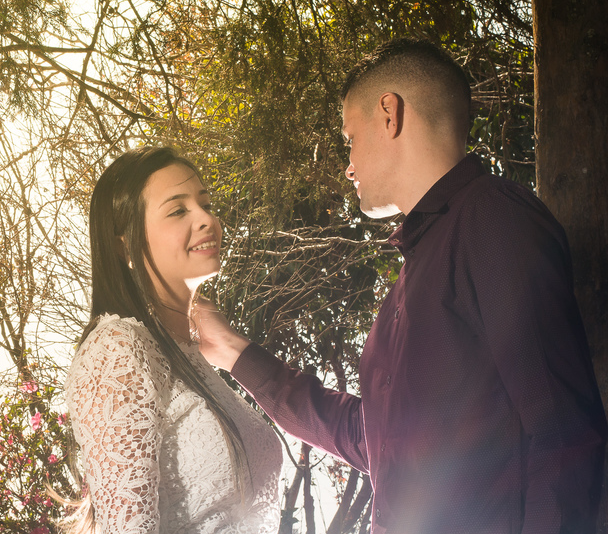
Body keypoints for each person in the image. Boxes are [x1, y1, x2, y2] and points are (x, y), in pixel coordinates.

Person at [194, 39, 607, 533]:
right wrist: (234, 352)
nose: (348, 165)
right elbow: (372, 438)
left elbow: (564, 438)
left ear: (389, 114)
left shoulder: (493, 216)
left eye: (350, 137)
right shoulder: (410, 279)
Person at [64, 147, 284, 533]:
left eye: (206, 203)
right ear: (124, 245)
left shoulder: (193, 356)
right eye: (178, 210)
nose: (207, 219)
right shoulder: (118, 347)